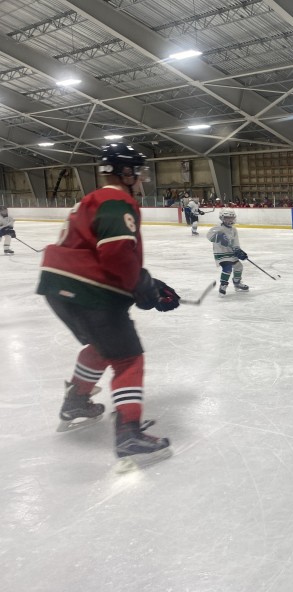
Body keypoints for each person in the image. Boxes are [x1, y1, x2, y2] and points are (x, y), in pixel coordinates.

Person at [35, 143, 180, 471]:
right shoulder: (116, 199)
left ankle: (76, 403)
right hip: (89, 290)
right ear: (126, 173)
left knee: (101, 347)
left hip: (59, 287)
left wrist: (148, 286)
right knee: (128, 359)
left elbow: (108, 256)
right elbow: (115, 253)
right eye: (139, 172)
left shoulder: (91, 200)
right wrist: (144, 289)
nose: (142, 179)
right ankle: (128, 434)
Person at [206, 208, 250, 296]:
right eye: (227, 218)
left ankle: (237, 283)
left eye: (231, 217)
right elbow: (209, 236)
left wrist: (238, 251)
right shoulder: (218, 227)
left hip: (231, 252)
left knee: (239, 266)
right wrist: (219, 237)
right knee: (228, 268)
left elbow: (236, 242)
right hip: (221, 253)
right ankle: (223, 285)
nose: (230, 219)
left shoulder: (233, 229)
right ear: (222, 218)